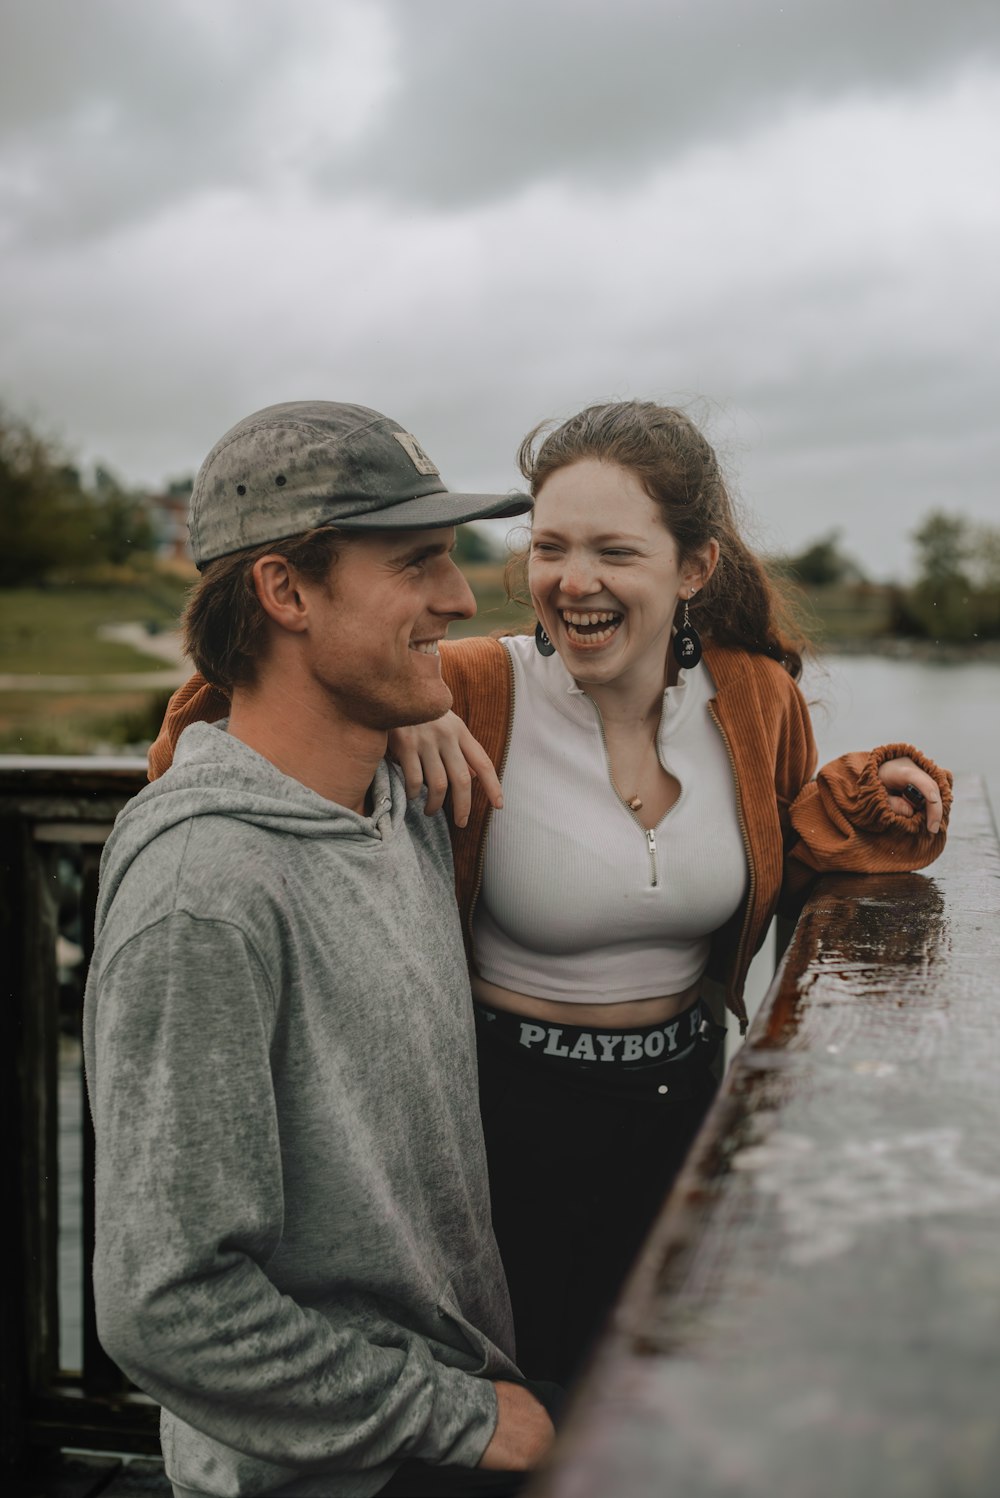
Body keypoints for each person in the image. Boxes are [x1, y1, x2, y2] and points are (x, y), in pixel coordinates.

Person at [149, 399, 951, 1390]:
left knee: (661, 1405)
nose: (572, 580)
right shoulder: (473, 687)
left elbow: (784, 839)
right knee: (529, 1411)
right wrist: (411, 718)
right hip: (500, 1129)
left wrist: (867, 798)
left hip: (689, 1111)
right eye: (549, 546)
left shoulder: (755, 695)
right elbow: (232, 696)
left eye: (614, 550)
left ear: (691, 567)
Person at [83, 400, 559, 1498]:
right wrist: (458, 1415)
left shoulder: (396, 797)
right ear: (284, 591)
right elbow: (165, 1303)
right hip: (338, 1470)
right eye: (417, 562)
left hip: (440, 1435)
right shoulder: (203, 893)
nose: (459, 595)